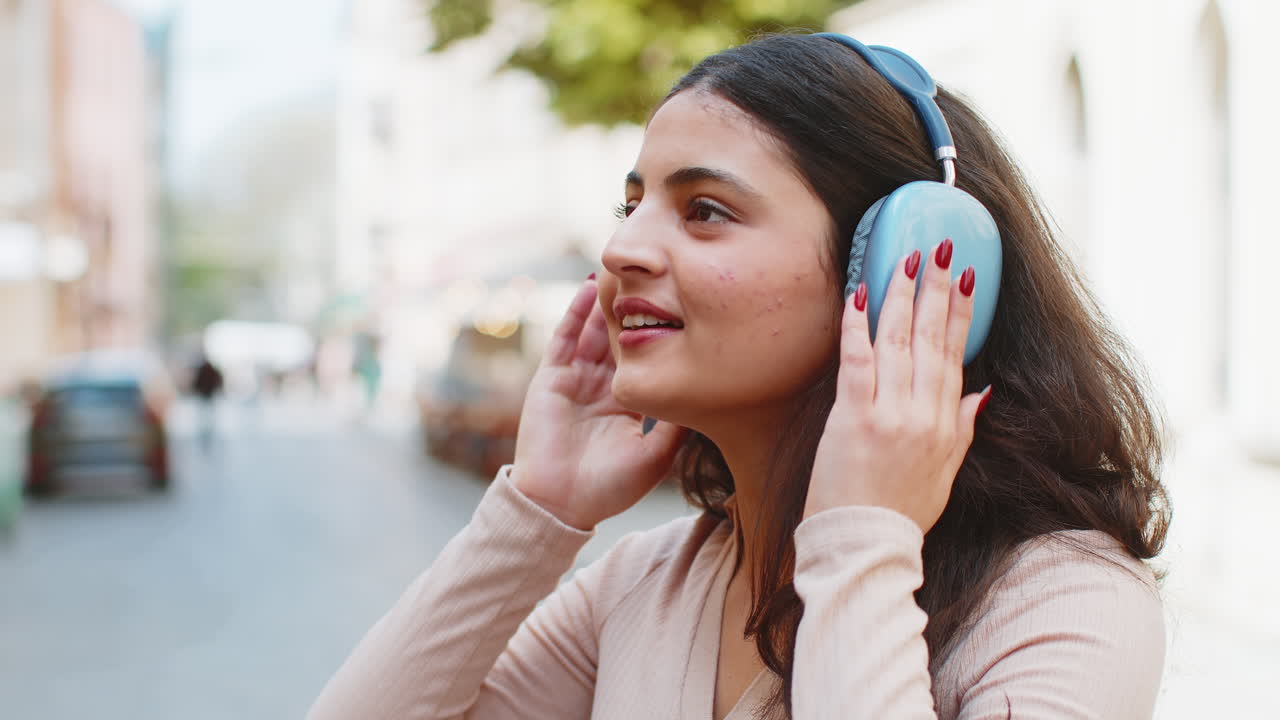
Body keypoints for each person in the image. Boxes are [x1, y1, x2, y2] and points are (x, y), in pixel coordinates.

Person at [308, 33, 1169, 719]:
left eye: (706, 210)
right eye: (631, 202)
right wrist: (539, 510)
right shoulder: (645, 586)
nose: (622, 248)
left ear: (904, 268)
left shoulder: (1059, 603)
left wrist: (863, 539)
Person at [191, 355, 224, 455]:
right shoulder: (209, 370)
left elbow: (197, 383)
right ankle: (207, 433)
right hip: (207, 395)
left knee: (205, 417)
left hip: (206, 395)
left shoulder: (204, 371)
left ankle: (206, 433)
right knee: (207, 417)